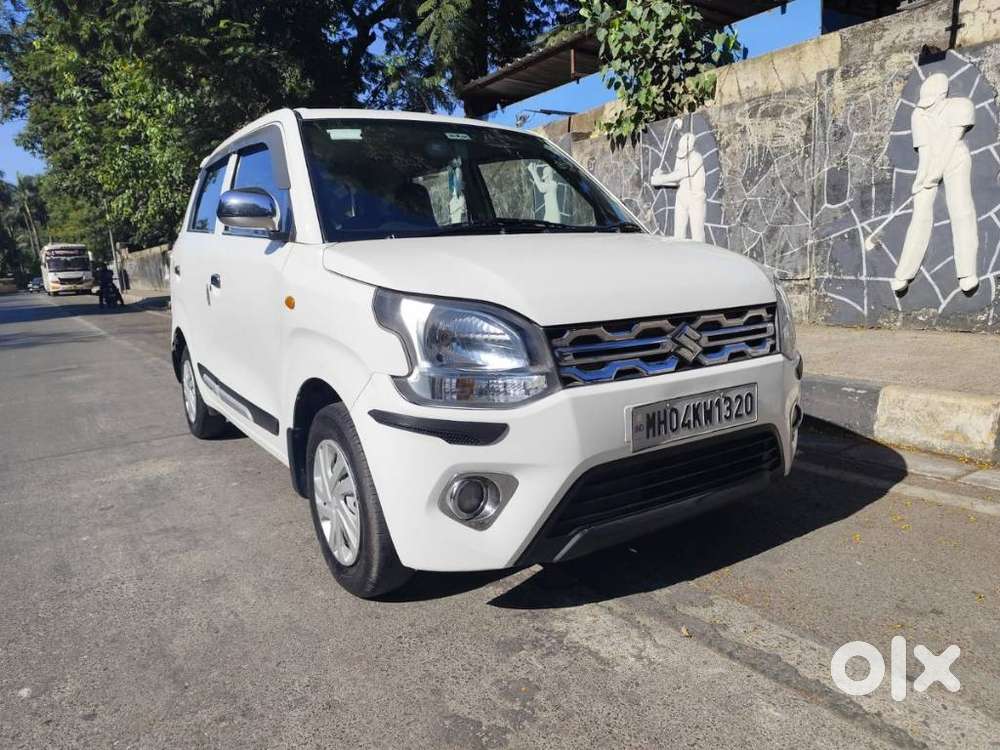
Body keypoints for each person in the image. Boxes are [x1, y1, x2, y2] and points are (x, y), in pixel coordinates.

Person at [894, 72, 979, 293]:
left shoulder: (961, 106)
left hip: (955, 158)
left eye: (931, 102)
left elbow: (951, 142)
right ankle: (903, 273)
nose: (927, 107)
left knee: (961, 209)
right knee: (920, 212)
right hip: (931, 161)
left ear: (942, 95)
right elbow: (924, 152)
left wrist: (936, 173)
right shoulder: (918, 115)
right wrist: (921, 179)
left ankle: (967, 272)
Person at [651, 129, 707, 242]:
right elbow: (676, 180)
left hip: (696, 200)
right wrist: (659, 179)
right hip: (681, 198)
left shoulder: (697, 158)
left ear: (691, 148)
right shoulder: (680, 156)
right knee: (678, 236)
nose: (681, 155)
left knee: (698, 237)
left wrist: (661, 179)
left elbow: (681, 174)